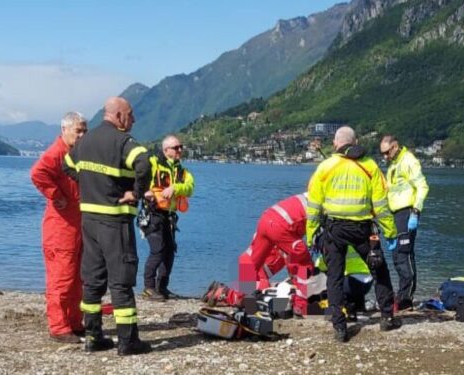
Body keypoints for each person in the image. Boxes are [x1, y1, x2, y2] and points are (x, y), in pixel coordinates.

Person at [63, 97, 152, 356]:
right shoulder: (123, 141)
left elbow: (66, 165)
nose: (133, 120)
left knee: (92, 280)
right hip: (115, 220)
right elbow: (144, 162)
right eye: (131, 115)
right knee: (121, 281)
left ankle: (93, 336)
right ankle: (128, 342)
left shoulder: (86, 140)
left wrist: (88, 184)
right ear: (118, 115)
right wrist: (136, 192)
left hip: (89, 221)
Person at [306, 126, 400, 343]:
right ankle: (386, 317)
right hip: (362, 228)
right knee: (379, 270)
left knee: (335, 277)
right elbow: (381, 205)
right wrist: (390, 231)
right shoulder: (370, 166)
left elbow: (313, 206)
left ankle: (340, 327)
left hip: (334, 229)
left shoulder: (325, 167)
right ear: (355, 141)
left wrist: (310, 234)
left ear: (336, 144)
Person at [202, 193, 314, 316]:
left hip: (267, 220)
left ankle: (227, 294)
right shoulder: (320, 205)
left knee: (265, 287)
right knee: (301, 263)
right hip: (278, 229)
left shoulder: (312, 195)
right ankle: (301, 306)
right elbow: (295, 261)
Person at [30, 112, 87, 343]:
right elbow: (37, 173)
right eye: (79, 131)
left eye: (85, 131)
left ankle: (74, 321)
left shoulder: (75, 153)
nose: (82, 135)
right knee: (61, 279)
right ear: (65, 129)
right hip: (60, 228)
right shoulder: (56, 152)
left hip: (76, 225)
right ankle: (58, 326)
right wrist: (56, 195)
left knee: (76, 278)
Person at [140, 135, 195, 301]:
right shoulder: (152, 164)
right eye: (176, 148)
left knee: (169, 252)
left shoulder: (182, 171)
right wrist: (143, 191)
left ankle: (162, 287)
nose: (180, 150)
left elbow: (190, 187)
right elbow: (137, 178)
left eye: (181, 147)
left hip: (169, 216)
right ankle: (148, 288)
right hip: (152, 214)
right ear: (165, 151)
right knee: (157, 250)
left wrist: (175, 187)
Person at [379, 135, 429, 311]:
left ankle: (406, 298)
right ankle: (402, 295)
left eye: (387, 152)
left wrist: (416, 211)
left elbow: (422, 186)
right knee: (397, 255)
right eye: (382, 154)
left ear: (395, 146)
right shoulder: (393, 164)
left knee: (404, 254)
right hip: (395, 213)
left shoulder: (408, 161)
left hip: (407, 212)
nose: (385, 157)